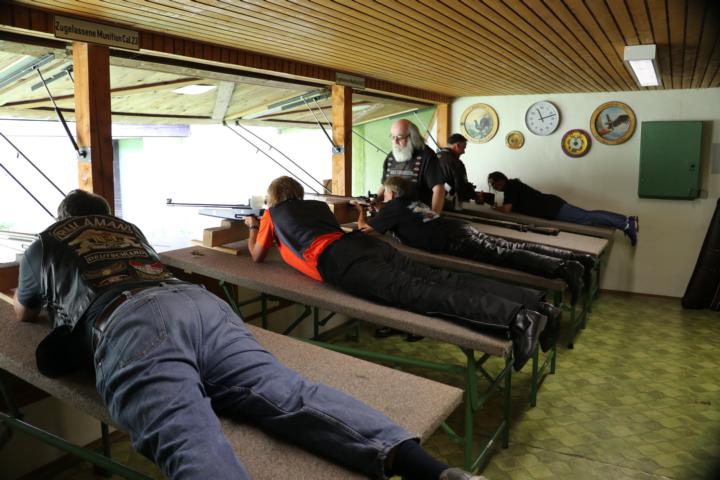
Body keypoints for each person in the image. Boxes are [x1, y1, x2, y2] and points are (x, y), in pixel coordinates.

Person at [12, 189, 484, 480]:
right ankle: (436, 471)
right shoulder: (129, 228)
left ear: (60, 216)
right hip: (200, 304)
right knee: (291, 394)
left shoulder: (45, 242)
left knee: (187, 434)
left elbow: (25, 312)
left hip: (129, 320)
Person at [246, 176, 561, 369]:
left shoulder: (272, 214)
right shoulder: (317, 207)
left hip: (343, 262)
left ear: (272, 198)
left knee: (425, 294)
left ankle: (518, 319)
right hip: (365, 246)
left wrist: (252, 227)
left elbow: (257, 255)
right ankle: (537, 305)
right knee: (442, 279)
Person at [357, 176, 592, 306]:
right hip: (458, 229)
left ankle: (565, 268)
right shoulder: (411, 202)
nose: (383, 196)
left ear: (392, 194)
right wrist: (379, 209)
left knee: (505, 254)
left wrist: (360, 210)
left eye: (385, 192)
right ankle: (576, 259)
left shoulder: (393, 207)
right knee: (512, 247)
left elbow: (364, 229)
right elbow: (406, 217)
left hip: (453, 240)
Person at [487, 171, 639, 246]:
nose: (494, 187)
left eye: (494, 183)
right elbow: (511, 207)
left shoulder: (511, 187)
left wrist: (494, 207)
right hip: (552, 206)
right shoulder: (512, 187)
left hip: (552, 208)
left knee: (588, 217)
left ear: (501, 180)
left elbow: (507, 209)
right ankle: (626, 220)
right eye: (492, 185)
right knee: (588, 217)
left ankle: (626, 224)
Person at [376, 119, 445, 213]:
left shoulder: (427, 155)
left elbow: (438, 189)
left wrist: (434, 216)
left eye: (400, 137)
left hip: (417, 216)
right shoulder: (391, 156)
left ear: (412, 137)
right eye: (393, 137)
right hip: (392, 214)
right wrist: (374, 200)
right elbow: (384, 184)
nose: (395, 141)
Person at [437, 133, 488, 210]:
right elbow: (461, 186)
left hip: (428, 199)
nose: (464, 152)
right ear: (457, 145)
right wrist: (475, 195)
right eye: (464, 148)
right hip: (446, 202)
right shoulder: (456, 163)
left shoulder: (433, 157)